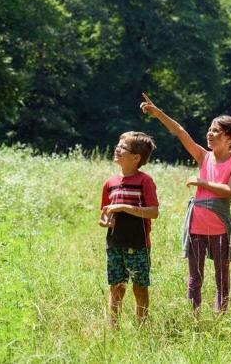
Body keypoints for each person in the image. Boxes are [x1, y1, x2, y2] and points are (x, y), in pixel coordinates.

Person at [140, 93, 231, 314]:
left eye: (216, 130)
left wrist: (201, 181)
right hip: (196, 226)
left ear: (229, 138)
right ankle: (193, 316)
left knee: (222, 278)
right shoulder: (203, 156)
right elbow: (180, 132)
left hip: (220, 229)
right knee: (195, 277)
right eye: (210, 129)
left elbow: (230, 191)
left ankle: (220, 318)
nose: (210, 133)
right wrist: (158, 113)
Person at [98, 131, 159, 328]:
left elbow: (153, 212)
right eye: (118, 145)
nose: (117, 149)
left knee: (140, 288)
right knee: (116, 287)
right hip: (114, 244)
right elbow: (105, 212)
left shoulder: (145, 181)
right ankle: (113, 327)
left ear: (136, 158)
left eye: (123, 147)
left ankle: (141, 326)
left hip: (138, 244)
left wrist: (124, 208)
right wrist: (105, 221)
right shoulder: (110, 183)